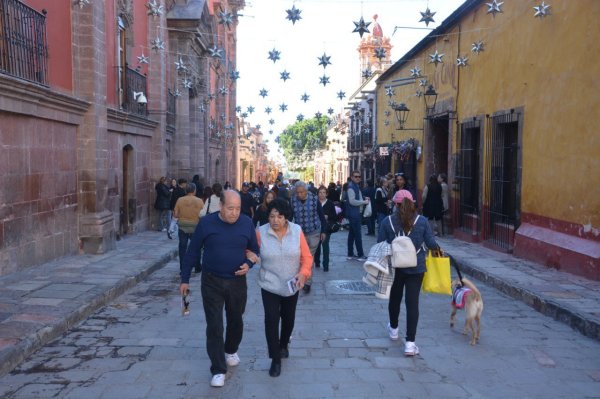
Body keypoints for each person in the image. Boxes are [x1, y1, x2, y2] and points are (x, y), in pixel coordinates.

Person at [179, 190, 260, 388]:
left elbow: (255, 251)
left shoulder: (246, 223)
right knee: (215, 325)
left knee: (236, 320)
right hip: (211, 281)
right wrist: (185, 279)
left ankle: (231, 349)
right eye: (230, 208)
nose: (234, 213)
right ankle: (217, 369)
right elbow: (193, 252)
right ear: (221, 206)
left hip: (237, 282)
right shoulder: (207, 223)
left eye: (238, 209)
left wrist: (249, 264)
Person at [377, 189, 440, 357]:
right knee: (412, 304)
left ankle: (394, 329)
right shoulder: (422, 221)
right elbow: (431, 243)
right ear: (412, 203)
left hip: (395, 266)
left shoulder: (387, 221)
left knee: (395, 298)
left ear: (395, 204)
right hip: (416, 267)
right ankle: (410, 344)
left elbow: (380, 244)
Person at [255, 198, 313, 377]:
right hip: (269, 284)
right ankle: (275, 359)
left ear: (286, 217)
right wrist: (249, 256)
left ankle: (283, 344)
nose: (275, 220)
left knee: (288, 320)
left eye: (279, 216)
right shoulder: (260, 233)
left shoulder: (296, 231)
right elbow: (249, 251)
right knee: (271, 320)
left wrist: (303, 273)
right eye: (272, 216)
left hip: (291, 285)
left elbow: (307, 257)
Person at [290, 181, 326, 293]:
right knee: (301, 257)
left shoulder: (314, 199)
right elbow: (290, 217)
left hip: (314, 232)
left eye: (301, 192)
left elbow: (321, 215)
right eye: (297, 192)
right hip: (299, 233)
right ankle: (304, 279)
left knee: (309, 256)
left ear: (306, 191)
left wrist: (323, 231)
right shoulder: (292, 200)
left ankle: (307, 282)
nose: (299, 194)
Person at [173, 183, 204, 272]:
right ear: (194, 190)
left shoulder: (180, 200)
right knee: (196, 247)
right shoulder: (199, 201)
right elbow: (202, 215)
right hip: (195, 226)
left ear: (186, 190)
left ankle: (183, 267)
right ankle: (197, 266)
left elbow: (175, 214)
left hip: (183, 226)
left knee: (182, 247)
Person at [346, 171, 369, 261]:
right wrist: (364, 202)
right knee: (358, 235)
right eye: (356, 176)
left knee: (352, 235)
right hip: (354, 214)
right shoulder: (351, 187)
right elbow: (352, 201)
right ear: (352, 177)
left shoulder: (356, 186)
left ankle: (350, 254)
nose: (358, 178)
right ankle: (360, 254)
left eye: (359, 176)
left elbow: (357, 198)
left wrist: (364, 198)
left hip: (355, 213)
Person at [314, 186, 337, 272]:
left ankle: (326, 265)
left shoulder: (330, 203)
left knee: (325, 245)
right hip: (316, 227)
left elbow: (334, 216)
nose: (322, 194)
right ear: (318, 193)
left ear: (326, 194)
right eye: (320, 192)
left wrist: (327, 216)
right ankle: (317, 262)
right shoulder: (315, 202)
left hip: (326, 227)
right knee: (317, 246)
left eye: (324, 192)